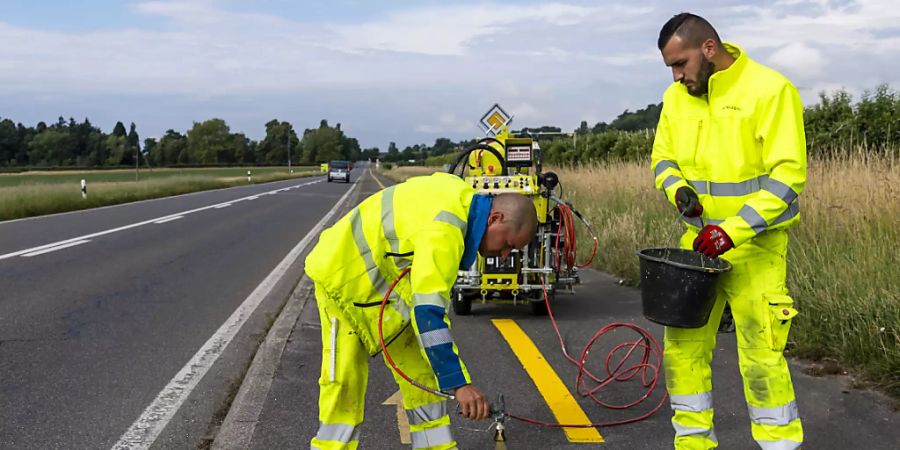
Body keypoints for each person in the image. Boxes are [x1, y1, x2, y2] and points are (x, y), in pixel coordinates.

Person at [651, 13, 807, 450]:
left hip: (757, 250)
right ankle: (693, 444)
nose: (677, 76)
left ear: (708, 49)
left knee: (761, 358)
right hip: (695, 248)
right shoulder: (675, 98)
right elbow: (662, 159)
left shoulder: (769, 90)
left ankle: (780, 444)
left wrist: (733, 230)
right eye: (671, 69)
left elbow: (788, 178)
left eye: (680, 64)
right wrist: (677, 190)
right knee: (682, 354)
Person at [305, 172, 538, 450]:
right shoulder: (446, 232)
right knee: (344, 381)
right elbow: (428, 313)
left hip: (385, 293)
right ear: (495, 218)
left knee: (423, 376)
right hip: (342, 278)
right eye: (508, 245)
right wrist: (460, 384)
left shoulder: (460, 197)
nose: (503, 255)